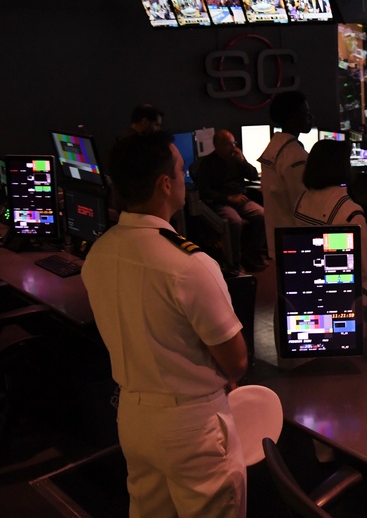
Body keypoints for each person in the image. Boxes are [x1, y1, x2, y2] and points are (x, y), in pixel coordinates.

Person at [82, 131, 248, 518]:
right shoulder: (190, 266)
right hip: (192, 426)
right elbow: (236, 361)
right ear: (165, 184)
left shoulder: (100, 252)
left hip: (133, 417)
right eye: (181, 168)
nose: (186, 172)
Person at [293, 140, 367, 309]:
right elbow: (364, 269)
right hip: (339, 294)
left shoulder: (301, 199)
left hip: (304, 285)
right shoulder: (350, 212)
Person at [193, 129, 267, 272]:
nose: (233, 148)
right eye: (228, 144)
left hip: (241, 199)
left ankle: (252, 253)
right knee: (235, 221)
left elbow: (253, 176)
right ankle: (234, 260)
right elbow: (205, 190)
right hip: (221, 202)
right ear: (217, 145)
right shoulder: (207, 164)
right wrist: (228, 198)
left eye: (234, 143)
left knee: (262, 214)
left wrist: (243, 161)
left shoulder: (236, 158)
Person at [259, 91, 313, 257]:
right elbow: (304, 207)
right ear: (292, 118)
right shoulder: (295, 157)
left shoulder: (274, 149)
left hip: (280, 239)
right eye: (306, 114)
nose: (310, 117)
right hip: (297, 242)